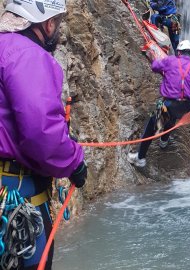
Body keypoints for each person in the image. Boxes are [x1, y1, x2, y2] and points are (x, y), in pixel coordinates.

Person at [0, 0, 87, 269]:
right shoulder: (28, 55)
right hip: (16, 192)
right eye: (57, 24)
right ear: (48, 24)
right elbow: (41, 131)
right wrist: (74, 162)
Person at [128, 40, 190, 167]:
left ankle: (140, 158)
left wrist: (153, 57)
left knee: (151, 127)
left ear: (179, 52)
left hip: (168, 104)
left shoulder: (170, 61)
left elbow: (155, 67)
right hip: (186, 107)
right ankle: (164, 140)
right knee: (172, 117)